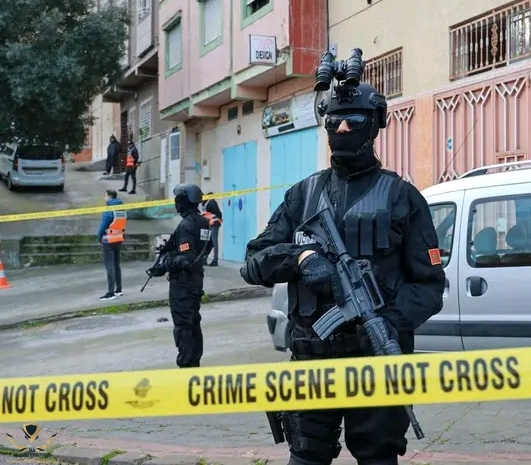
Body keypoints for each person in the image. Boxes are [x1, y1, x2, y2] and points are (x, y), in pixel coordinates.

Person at [240, 60, 446, 464]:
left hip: (375, 361)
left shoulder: (402, 197)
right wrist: (300, 257)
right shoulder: (302, 196)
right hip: (311, 359)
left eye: (354, 120)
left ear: (374, 125)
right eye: (334, 121)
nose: (343, 129)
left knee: (378, 456)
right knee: (306, 457)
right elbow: (253, 262)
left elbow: (430, 286)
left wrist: (389, 323)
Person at [146, 184, 213, 368]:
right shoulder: (203, 222)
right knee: (193, 323)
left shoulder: (186, 225)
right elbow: (207, 247)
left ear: (185, 201)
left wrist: (166, 263)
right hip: (195, 280)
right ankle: (193, 362)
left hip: (183, 283)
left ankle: (187, 365)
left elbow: (186, 258)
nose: (176, 203)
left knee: (184, 326)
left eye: (178, 199)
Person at [97, 189, 125, 300]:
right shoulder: (121, 209)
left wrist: (99, 237)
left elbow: (102, 227)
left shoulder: (109, 209)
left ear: (109, 197)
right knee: (116, 265)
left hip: (108, 240)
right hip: (119, 238)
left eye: (105, 196)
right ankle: (118, 289)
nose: (104, 198)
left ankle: (110, 292)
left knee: (109, 266)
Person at [200, 192, 223, 266]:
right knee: (208, 242)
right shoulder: (205, 203)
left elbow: (218, 214)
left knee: (213, 241)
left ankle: (215, 260)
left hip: (214, 224)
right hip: (209, 224)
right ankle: (204, 259)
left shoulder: (211, 202)